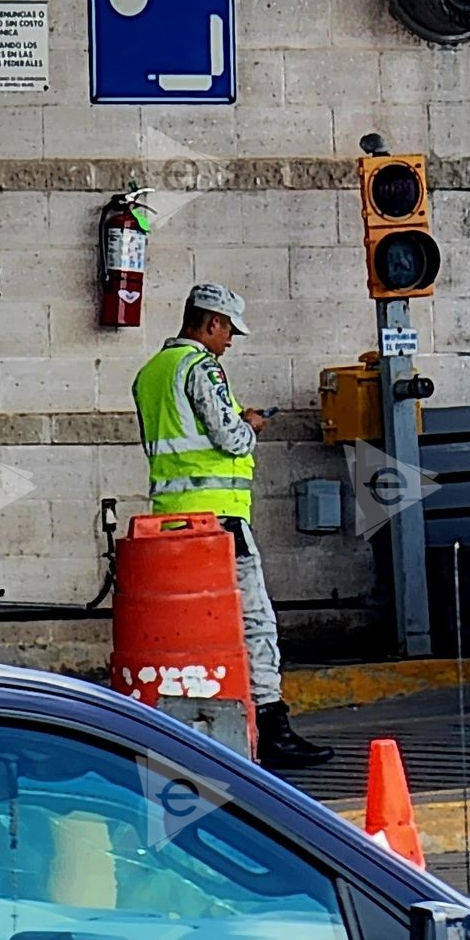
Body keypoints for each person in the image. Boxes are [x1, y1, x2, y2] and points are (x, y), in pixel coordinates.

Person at [131, 283, 334, 771]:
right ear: (210, 323)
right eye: (228, 331)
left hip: (170, 522)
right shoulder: (200, 366)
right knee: (256, 622)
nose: (229, 342)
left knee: (195, 630)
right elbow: (231, 438)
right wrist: (252, 426)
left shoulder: (150, 373)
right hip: (220, 522)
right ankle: (272, 726)